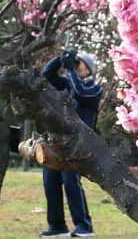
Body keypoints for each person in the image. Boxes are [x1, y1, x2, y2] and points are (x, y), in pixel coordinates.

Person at [39, 50, 102, 238]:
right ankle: (57, 225)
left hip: (78, 145)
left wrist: (70, 70)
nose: (75, 65)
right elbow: (46, 75)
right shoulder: (68, 84)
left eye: (79, 63)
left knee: (70, 182)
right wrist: (59, 59)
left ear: (89, 69)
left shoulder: (94, 88)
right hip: (57, 142)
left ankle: (84, 225)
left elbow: (81, 93)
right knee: (50, 182)